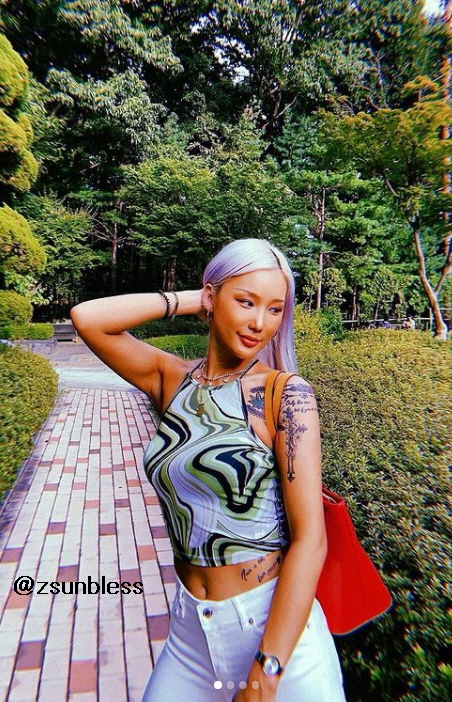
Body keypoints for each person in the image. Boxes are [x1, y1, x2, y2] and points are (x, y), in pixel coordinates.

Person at [70, 239, 346, 702]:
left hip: (273, 632)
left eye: (275, 309)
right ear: (212, 297)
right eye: (246, 301)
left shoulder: (284, 395)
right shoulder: (171, 380)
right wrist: (194, 298)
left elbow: (310, 540)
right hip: (190, 630)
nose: (260, 323)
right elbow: (88, 318)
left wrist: (266, 674)